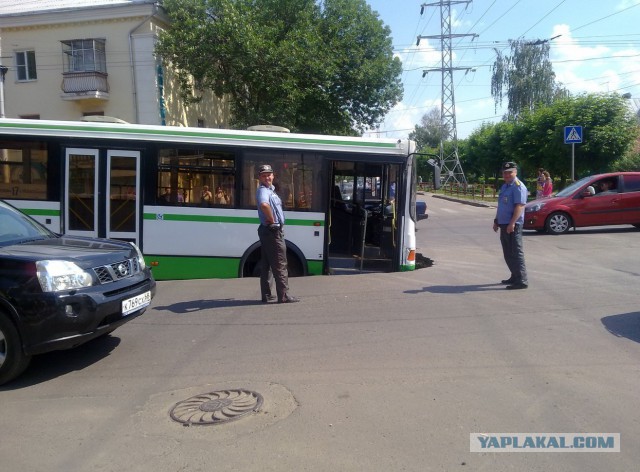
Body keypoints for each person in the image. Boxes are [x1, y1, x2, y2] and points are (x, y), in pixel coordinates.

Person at [256, 164, 299, 303]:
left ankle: (267, 295)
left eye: (269, 174)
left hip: (267, 231)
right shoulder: (263, 191)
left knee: (267, 264)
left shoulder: (270, 190)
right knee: (280, 263)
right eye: (264, 175)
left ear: (273, 175)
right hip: (272, 231)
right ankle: (284, 296)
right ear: (260, 177)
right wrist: (272, 220)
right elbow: (264, 205)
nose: (267, 177)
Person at [493, 161, 528, 290]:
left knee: (516, 252)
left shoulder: (518, 186)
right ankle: (514, 275)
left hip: (513, 224)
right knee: (508, 252)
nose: (507, 175)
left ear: (515, 172)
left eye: (510, 172)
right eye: (505, 173)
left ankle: (522, 280)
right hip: (504, 224)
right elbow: (502, 205)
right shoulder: (505, 186)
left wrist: (512, 223)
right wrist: (496, 220)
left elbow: (519, 206)